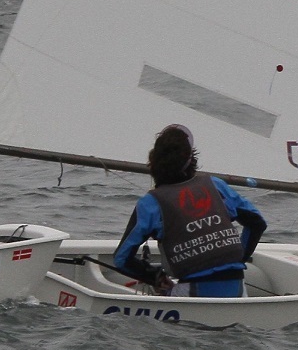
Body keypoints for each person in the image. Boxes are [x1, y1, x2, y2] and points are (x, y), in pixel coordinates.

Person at [114, 124, 267, 298]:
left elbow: (122, 259)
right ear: (191, 159)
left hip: (191, 295)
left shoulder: (150, 204)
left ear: (153, 162)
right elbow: (257, 223)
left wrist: (155, 277)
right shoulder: (216, 185)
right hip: (237, 290)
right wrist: (237, 259)